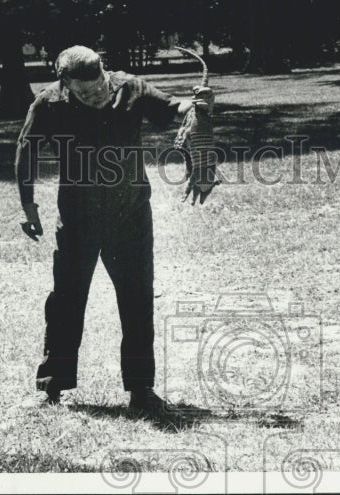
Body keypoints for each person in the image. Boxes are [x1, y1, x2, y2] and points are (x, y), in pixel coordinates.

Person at [14, 45, 213, 413]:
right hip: (77, 220)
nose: (96, 95)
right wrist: (28, 206)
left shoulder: (132, 89)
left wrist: (196, 105)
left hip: (131, 216)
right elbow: (26, 149)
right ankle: (52, 386)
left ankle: (141, 390)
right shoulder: (48, 104)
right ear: (66, 84)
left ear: (105, 72)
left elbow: (172, 110)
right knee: (66, 301)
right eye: (85, 92)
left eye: (100, 85)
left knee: (137, 301)